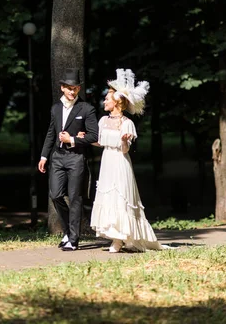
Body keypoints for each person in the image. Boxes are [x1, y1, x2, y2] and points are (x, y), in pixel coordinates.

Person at [88, 68, 165, 253]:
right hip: (107, 162)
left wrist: (123, 140)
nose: (104, 100)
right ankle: (115, 237)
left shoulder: (127, 123)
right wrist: (86, 138)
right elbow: (101, 141)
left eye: (107, 98)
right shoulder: (102, 121)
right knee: (109, 196)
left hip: (120, 163)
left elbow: (125, 149)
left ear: (117, 102)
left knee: (121, 196)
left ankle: (122, 237)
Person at [38, 68, 98, 251]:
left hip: (76, 158)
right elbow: (51, 133)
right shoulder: (55, 108)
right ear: (62, 88)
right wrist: (44, 156)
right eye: (69, 88)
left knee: (75, 198)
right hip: (57, 157)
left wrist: (72, 139)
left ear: (79, 89)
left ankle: (73, 239)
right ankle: (67, 232)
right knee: (55, 195)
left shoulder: (86, 109)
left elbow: (94, 136)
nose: (73, 92)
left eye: (76, 88)